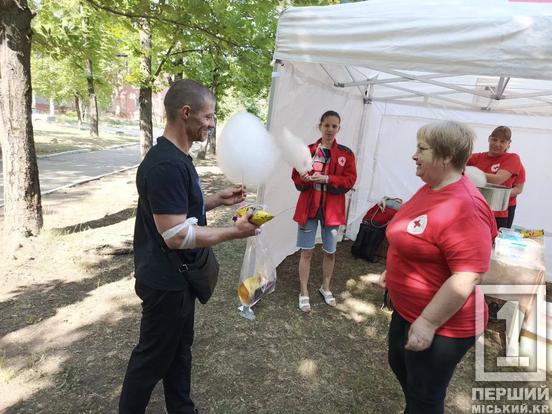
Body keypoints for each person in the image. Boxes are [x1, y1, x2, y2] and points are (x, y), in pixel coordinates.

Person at [119, 79, 260, 414]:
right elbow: (176, 235)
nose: (211, 123)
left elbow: (179, 210)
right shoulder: (166, 164)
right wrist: (234, 232)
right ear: (186, 113)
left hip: (178, 281)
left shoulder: (177, 158)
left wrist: (216, 199)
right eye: (208, 116)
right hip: (165, 284)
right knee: (151, 359)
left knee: (179, 351)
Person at [379, 121, 497, 413]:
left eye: (422, 149)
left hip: (446, 323)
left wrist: (429, 322)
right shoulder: (431, 188)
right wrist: (396, 268)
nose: (414, 155)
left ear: (446, 156)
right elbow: (416, 234)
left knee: (424, 394)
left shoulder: (465, 206)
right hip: (408, 308)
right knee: (401, 366)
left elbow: (469, 273)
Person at [291, 110, 357, 312]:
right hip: (309, 208)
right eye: (326, 125)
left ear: (339, 128)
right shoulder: (307, 150)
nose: (330, 129)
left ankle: (325, 287)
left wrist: (328, 179)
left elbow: (350, 180)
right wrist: (304, 178)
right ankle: (304, 291)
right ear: (320, 126)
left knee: (330, 252)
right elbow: (296, 177)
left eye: (334, 126)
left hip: (332, 211)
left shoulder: (346, 153)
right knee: (306, 252)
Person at [467, 126, 524, 229]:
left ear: (509, 143)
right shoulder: (476, 158)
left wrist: (471, 173)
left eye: (502, 141)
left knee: (495, 238)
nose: (497, 144)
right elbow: (454, 164)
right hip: (476, 207)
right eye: (494, 139)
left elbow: (498, 180)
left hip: (501, 210)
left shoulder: (512, 159)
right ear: (489, 139)